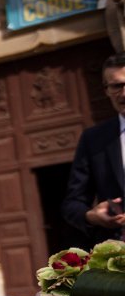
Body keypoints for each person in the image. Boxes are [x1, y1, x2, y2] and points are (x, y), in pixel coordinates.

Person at [61, 52, 125, 245]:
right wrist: (92, 216)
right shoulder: (94, 139)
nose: (124, 93)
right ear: (106, 90)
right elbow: (72, 204)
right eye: (116, 86)